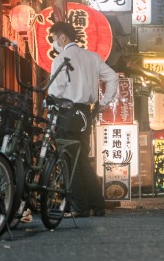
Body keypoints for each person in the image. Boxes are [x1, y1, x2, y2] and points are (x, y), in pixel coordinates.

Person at [48, 21, 118, 217]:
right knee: (82, 159)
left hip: (67, 113)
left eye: (54, 38)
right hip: (86, 114)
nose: (54, 42)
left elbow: (55, 91)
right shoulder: (92, 57)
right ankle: (97, 204)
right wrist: (103, 103)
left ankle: (81, 206)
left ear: (63, 37)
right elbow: (112, 78)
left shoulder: (61, 59)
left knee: (70, 160)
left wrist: (51, 116)